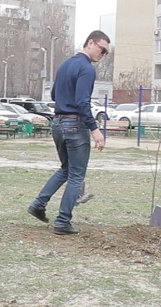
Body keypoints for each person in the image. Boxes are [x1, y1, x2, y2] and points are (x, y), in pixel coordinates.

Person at [26, 30, 109, 235]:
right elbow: (82, 103)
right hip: (75, 125)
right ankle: (63, 221)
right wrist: (95, 130)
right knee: (76, 175)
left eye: (106, 52)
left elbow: (54, 94)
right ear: (90, 43)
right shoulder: (87, 69)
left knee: (65, 169)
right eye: (102, 49)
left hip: (58, 123)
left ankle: (38, 204)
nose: (103, 54)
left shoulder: (65, 65)